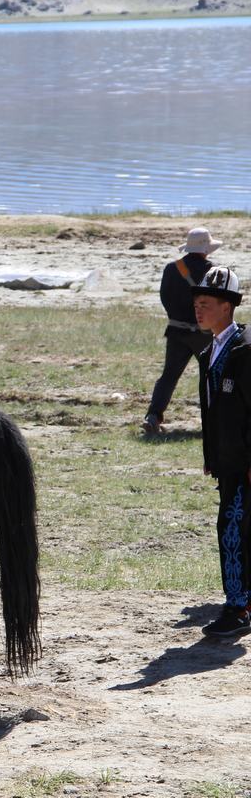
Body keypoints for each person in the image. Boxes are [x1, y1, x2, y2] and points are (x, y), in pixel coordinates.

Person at [194, 266, 251, 638]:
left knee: (230, 528)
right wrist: (211, 456)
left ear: (227, 307)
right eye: (196, 303)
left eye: (206, 303)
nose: (197, 310)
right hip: (228, 461)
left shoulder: (246, 350)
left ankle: (237, 609)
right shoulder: (212, 348)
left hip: (245, 463)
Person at [142, 228, 222, 435]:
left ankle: (153, 417)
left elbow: (164, 297)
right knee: (212, 376)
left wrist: (177, 317)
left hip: (176, 331)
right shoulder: (214, 272)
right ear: (206, 249)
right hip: (204, 334)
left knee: (168, 376)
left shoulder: (171, 269)